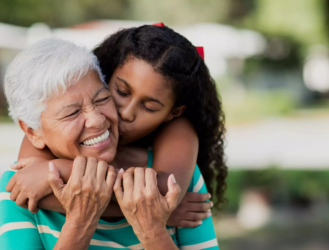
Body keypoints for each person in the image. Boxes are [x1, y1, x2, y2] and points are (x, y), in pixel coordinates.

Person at [4, 24, 227, 249]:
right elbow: (28, 186)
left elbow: (167, 191)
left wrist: (152, 224)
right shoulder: (24, 173)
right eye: (120, 92)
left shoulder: (180, 156)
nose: (126, 113)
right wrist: (154, 211)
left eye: (100, 100)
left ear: (172, 113)